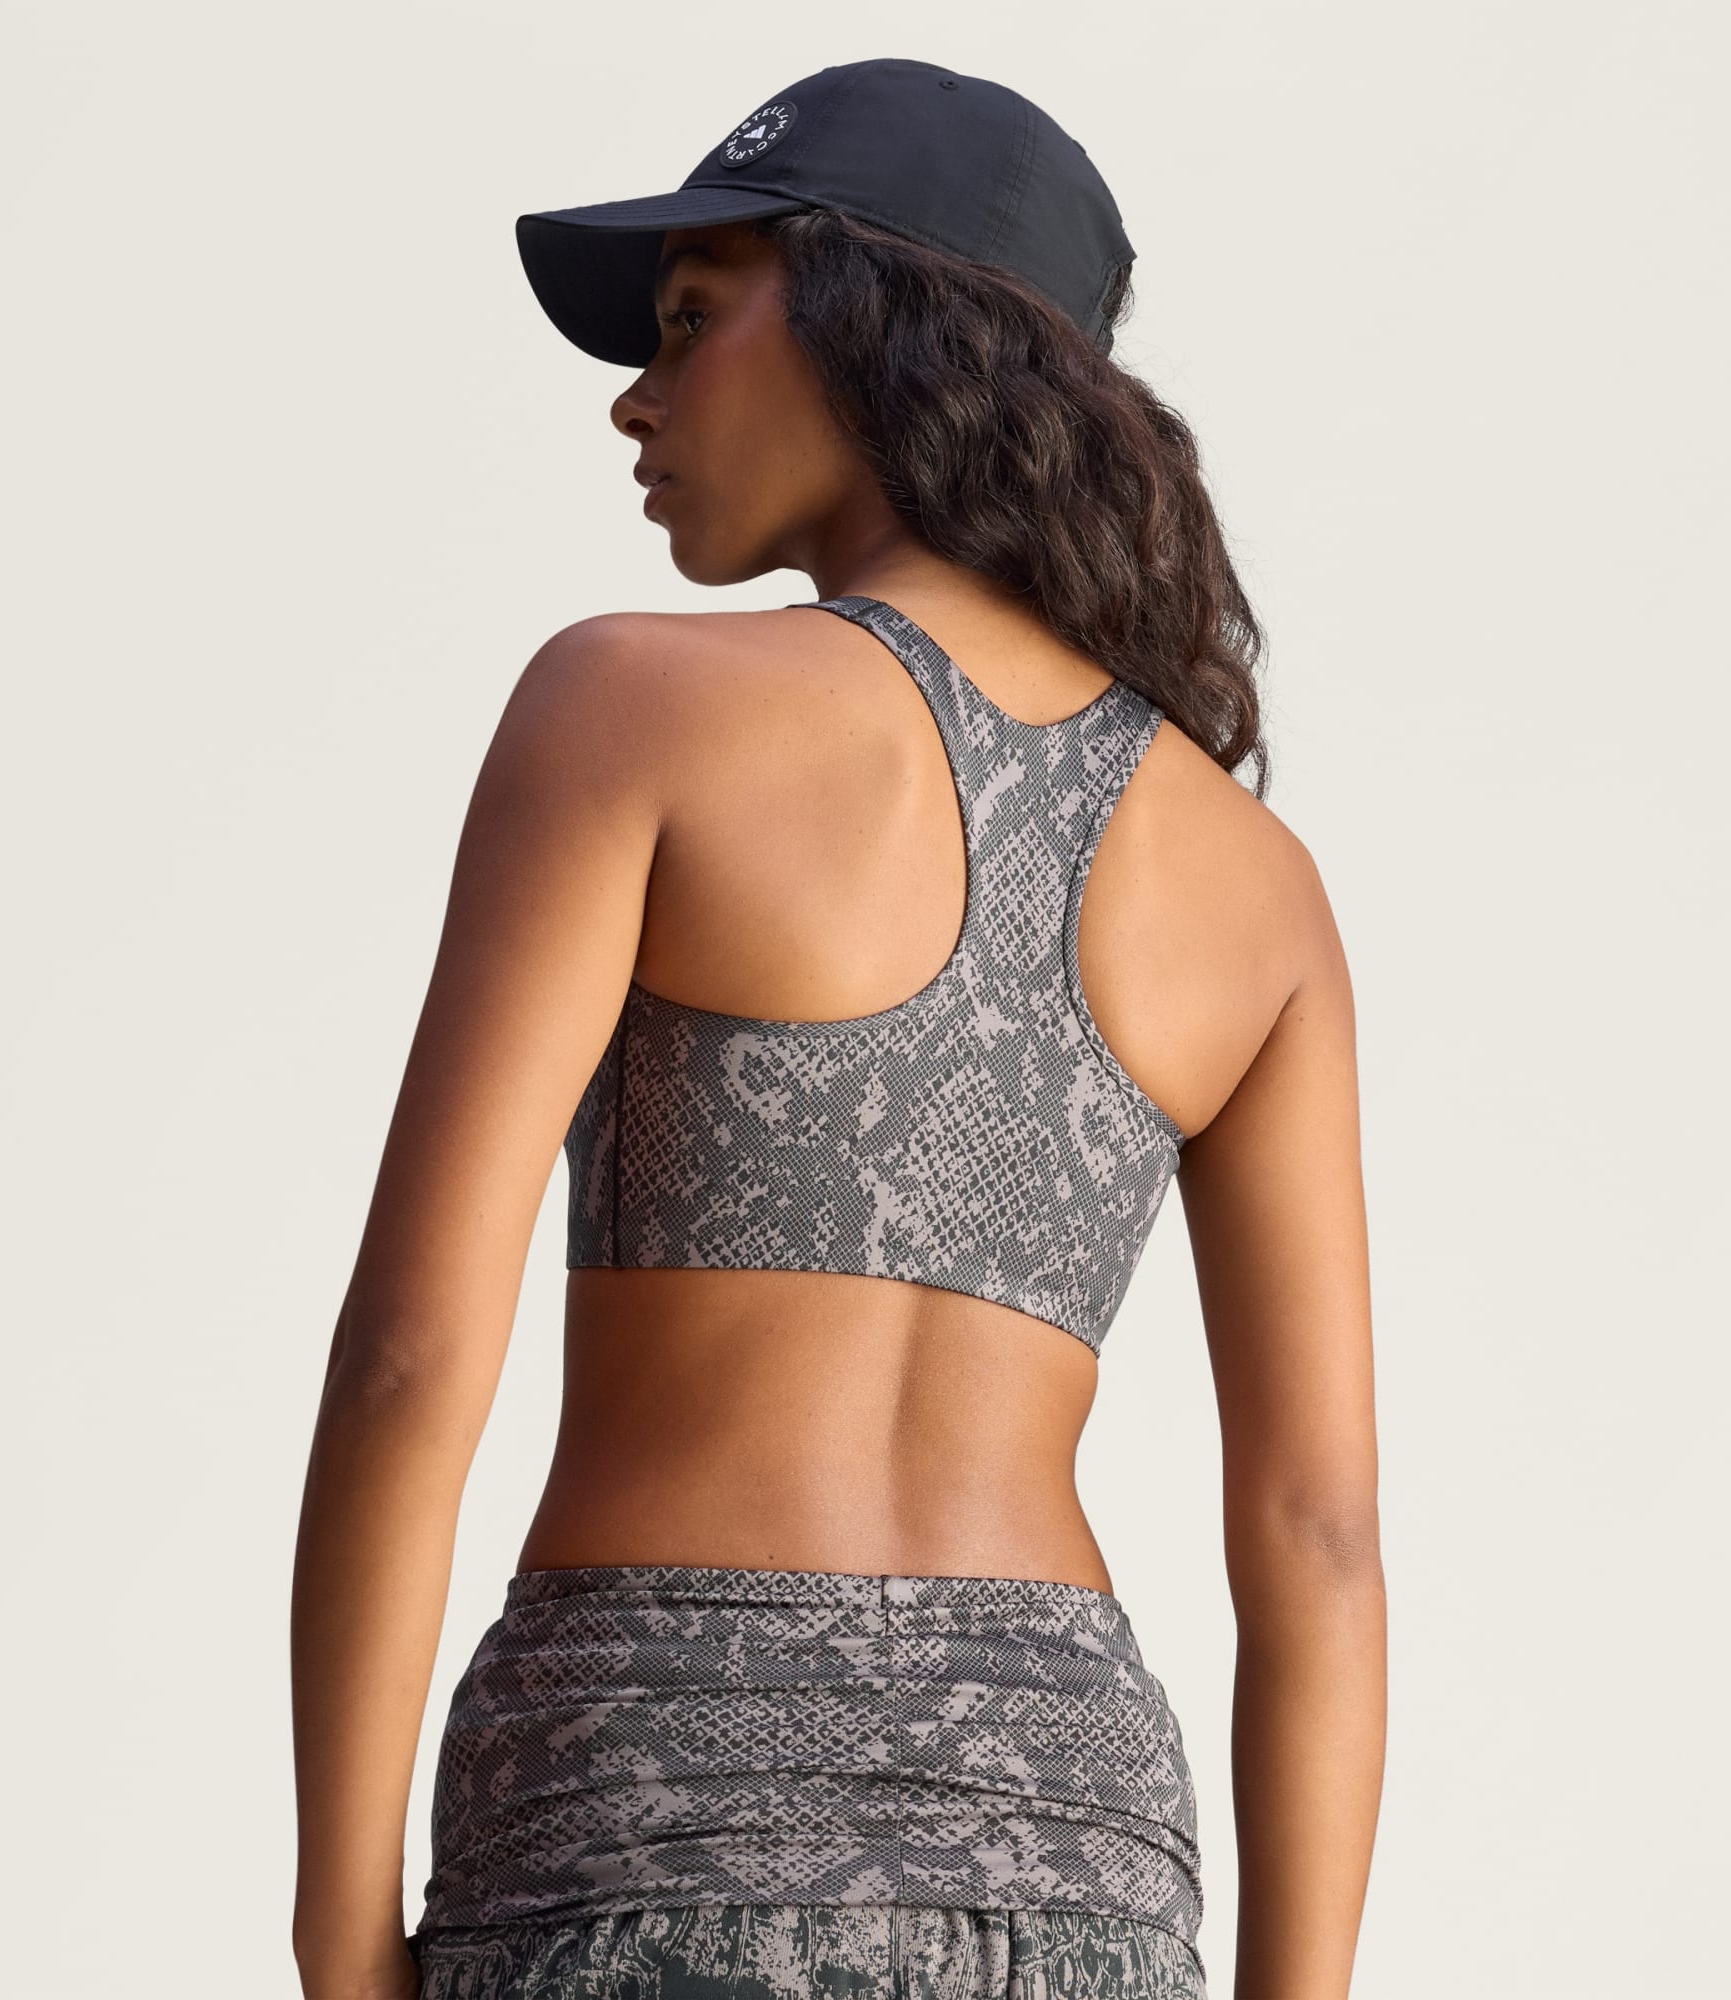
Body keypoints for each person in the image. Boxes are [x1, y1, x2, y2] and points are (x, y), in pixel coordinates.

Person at [290, 55, 1384, 2000]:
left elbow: (408, 1356)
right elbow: (1316, 1532)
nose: (634, 396)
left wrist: (332, 1930)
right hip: (1075, 1862)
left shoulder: (628, 707)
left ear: (893, 326)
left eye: (690, 319)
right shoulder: (1259, 891)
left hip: (649, 1815)